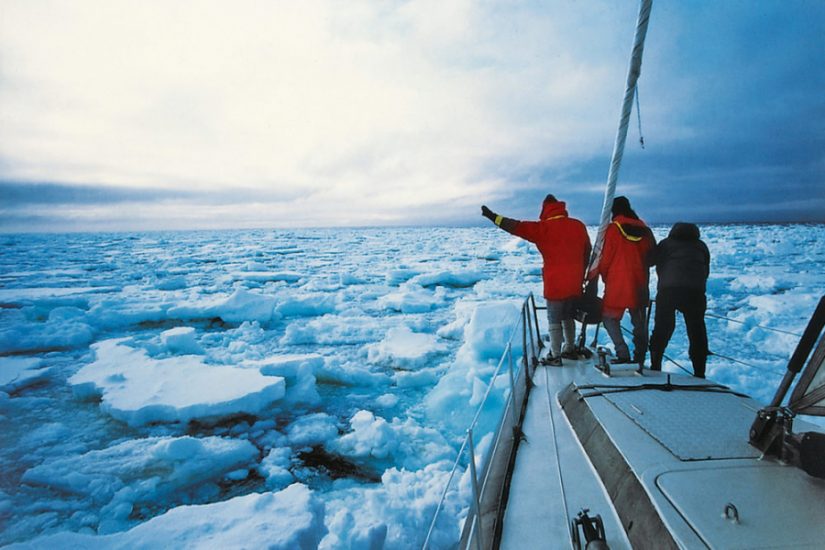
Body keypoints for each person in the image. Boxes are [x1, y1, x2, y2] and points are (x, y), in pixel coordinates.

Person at [481, 195, 591, 365]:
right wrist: (581, 275)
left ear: (545, 210)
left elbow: (515, 226)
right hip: (575, 283)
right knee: (569, 316)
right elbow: (587, 252)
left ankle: (555, 355)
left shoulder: (543, 228)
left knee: (554, 318)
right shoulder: (578, 226)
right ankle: (569, 348)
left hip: (555, 284)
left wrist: (493, 216)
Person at [596, 196, 656, 366]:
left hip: (618, 283)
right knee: (639, 324)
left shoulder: (613, 229)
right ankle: (640, 358)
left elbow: (605, 258)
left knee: (609, 318)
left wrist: (605, 275)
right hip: (639, 283)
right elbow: (652, 257)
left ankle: (623, 354)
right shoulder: (645, 230)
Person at [649, 222, 710, 378]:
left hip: (669, 290)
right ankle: (699, 371)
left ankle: (656, 364)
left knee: (663, 327)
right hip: (695, 292)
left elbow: (653, 262)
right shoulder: (701, 246)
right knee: (696, 330)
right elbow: (705, 270)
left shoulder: (666, 244)